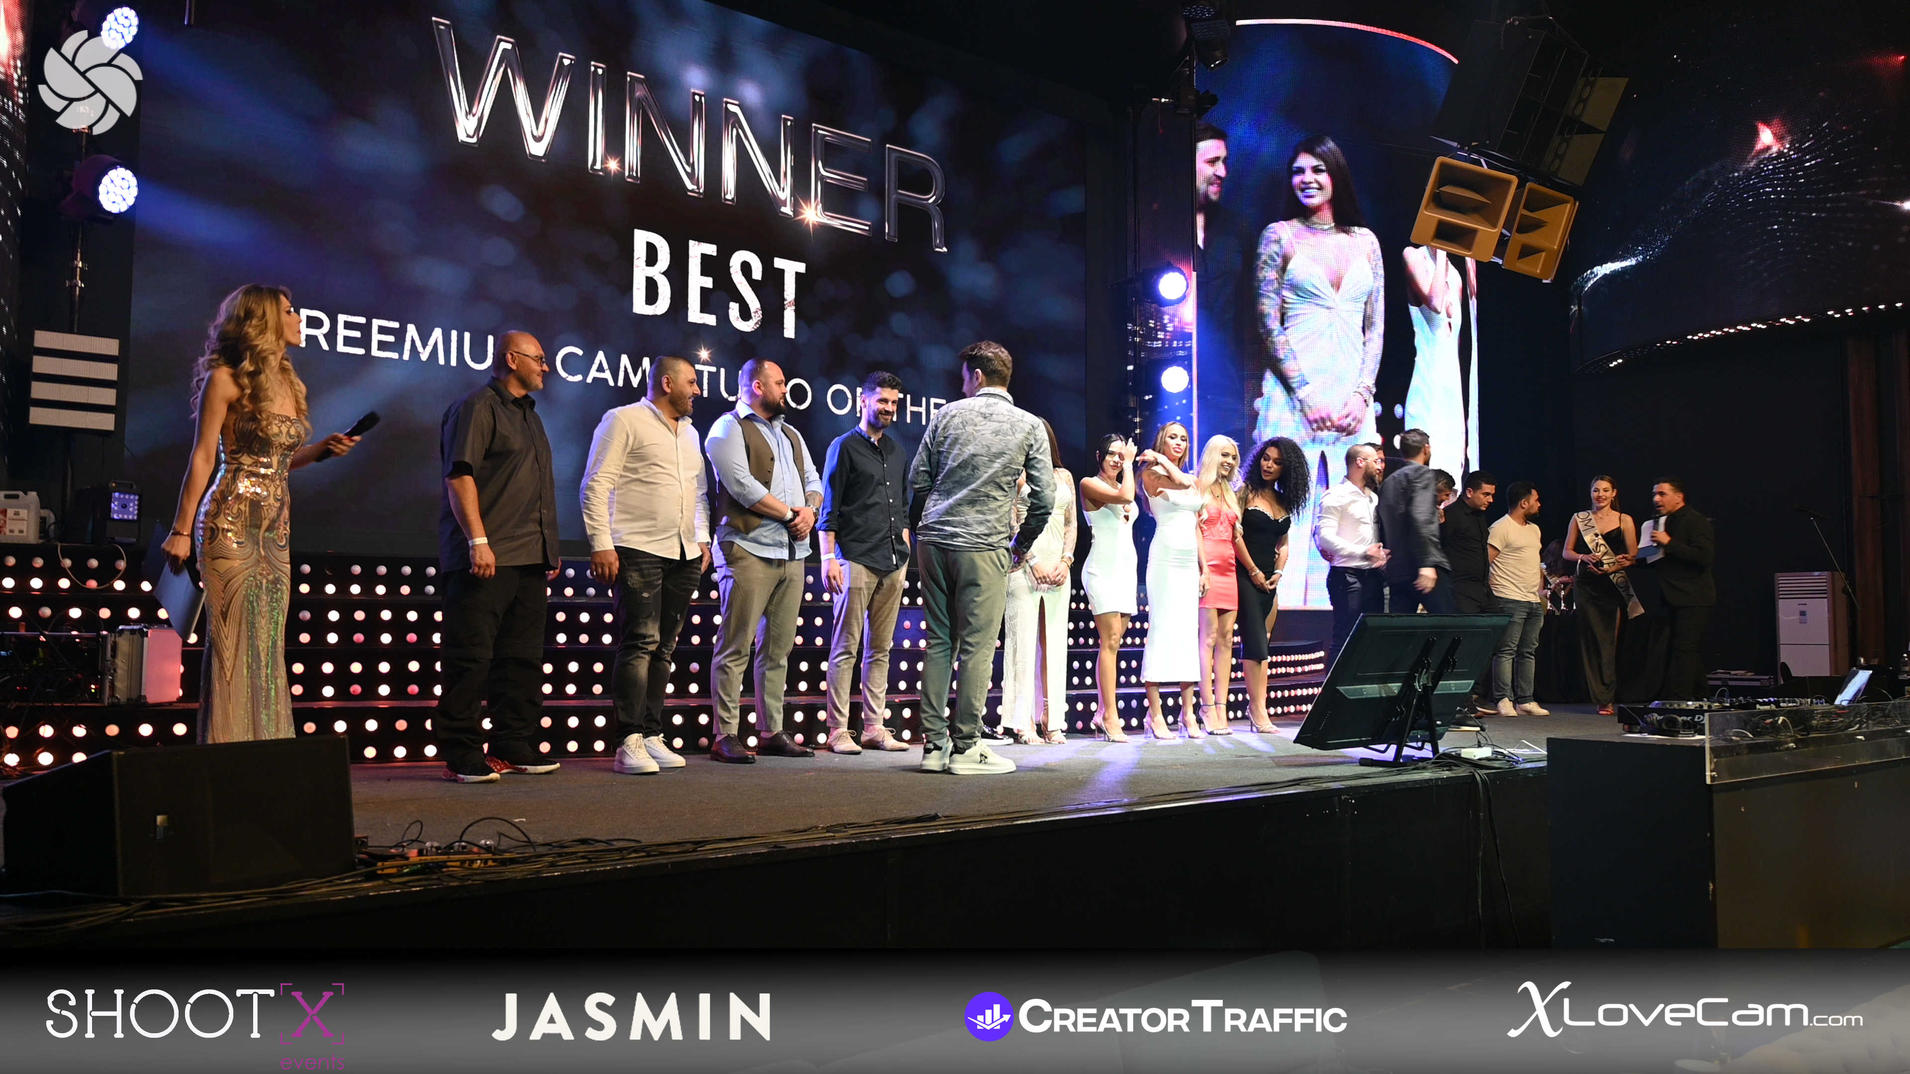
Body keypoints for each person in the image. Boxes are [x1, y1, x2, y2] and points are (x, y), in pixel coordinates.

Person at [161, 284, 358, 745]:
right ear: (264, 320)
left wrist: (321, 451)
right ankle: (227, 754)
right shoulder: (226, 379)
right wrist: (181, 530)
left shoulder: (288, 381)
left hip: (275, 529)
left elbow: (277, 462)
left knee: (268, 645)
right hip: (229, 521)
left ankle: (267, 754)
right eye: (290, 311)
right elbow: (203, 457)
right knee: (231, 642)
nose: (299, 318)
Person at [1251, 134, 1385, 609]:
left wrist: (1363, 394)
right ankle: (1281, 617)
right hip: (1295, 395)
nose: (1306, 179)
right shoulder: (1279, 235)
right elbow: (1267, 321)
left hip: (1352, 400)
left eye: (1317, 169)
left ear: (1335, 174)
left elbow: (1375, 326)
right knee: (1288, 505)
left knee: (1355, 511)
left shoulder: (1366, 241)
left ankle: (1348, 621)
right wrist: (1305, 392)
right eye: (1298, 172)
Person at [909, 340, 1053, 776]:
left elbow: (918, 478)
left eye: (963, 378)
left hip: (934, 540)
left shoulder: (946, 415)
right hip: (984, 545)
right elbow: (1044, 498)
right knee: (976, 646)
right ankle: (966, 747)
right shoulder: (1029, 425)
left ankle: (934, 747)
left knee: (940, 641)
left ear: (976, 375)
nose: (962, 385)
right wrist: (1020, 545)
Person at [434, 331, 562, 782]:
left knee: (522, 658)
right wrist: (477, 540)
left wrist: (548, 547)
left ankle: (513, 743)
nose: (546, 366)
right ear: (511, 359)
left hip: (529, 556)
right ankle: (461, 752)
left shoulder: (530, 415)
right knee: (470, 657)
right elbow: (459, 475)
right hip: (485, 555)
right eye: (539, 358)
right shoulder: (477, 407)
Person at [580, 354, 709, 776]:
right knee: (639, 642)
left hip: (684, 552)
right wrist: (601, 544)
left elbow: (699, 492)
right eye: (692, 382)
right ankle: (628, 739)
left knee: (664, 647)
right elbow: (595, 484)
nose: (698, 390)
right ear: (667, 383)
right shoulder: (623, 419)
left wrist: (702, 538)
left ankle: (652, 734)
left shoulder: (690, 433)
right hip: (636, 547)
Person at [705, 359, 823, 764]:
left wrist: (810, 511)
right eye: (779, 382)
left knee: (777, 650)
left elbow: (813, 481)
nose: (785, 389)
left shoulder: (791, 433)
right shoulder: (728, 427)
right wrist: (791, 515)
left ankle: (771, 730)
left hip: (792, 553)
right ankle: (725, 733)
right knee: (735, 645)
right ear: (757, 386)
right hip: (747, 548)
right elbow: (741, 486)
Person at [817, 372, 913, 755]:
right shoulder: (843, 446)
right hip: (854, 557)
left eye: (894, 403)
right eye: (882, 401)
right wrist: (828, 557)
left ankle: (874, 727)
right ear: (864, 401)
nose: (888, 408)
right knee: (845, 648)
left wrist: (904, 547)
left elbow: (902, 509)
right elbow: (829, 506)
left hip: (893, 561)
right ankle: (838, 730)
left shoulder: (898, 451)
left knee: (881, 649)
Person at [1000, 419, 1076, 745]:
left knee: (1055, 644)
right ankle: (1023, 720)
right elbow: (1010, 523)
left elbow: (1071, 524)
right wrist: (1031, 561)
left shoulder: (1064, 476)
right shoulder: (1015, 475)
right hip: (1023, 566)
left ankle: (1052, 717)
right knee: (1022, 643)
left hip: (1058, 568)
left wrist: (1066, 560)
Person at [1236, 436, 1309, 732]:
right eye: (1266, 458)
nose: (1269, 465)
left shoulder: (1283, 500)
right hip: (1244, 574)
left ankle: (1258, 707)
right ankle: (1257, 710)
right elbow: (1234, 535)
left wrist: (1278, 572)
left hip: (1270, 579)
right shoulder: (1244, 492)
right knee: (1255, 642)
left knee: (1263, 643)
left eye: (1277, 462)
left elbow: (1284, 543)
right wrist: (1253, 570)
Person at [1140, 421, 1203, 740]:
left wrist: (1204, 568)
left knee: (1187, 634)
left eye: (1183, 439)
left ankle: (1188, 714)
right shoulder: (1150, 474)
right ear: (1161, 441)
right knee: (1162, 630)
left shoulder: (1189, 477)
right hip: (1164, 558)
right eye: (1172, 438)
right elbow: (1181, 483)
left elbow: (1196, 520)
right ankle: (1155, 714)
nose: (1179, 442)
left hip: (1188, 561)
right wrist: (1161, 461)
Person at [1563, 475, 1642, 715]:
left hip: (1612, 585)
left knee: (1608, 642)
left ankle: (1607, 696)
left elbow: (1633, 555)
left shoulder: (1624, 519)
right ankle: (1599, 697)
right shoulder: (1580, 518)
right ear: (1590, 493)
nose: (1600, 495)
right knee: (1590, 640)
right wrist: (1583, 556)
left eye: (1605, 490)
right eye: (1596, 490)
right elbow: (1567, 552)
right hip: (1586, 586)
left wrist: (1616, 565)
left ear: (1614, 493)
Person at [1079, 434, 1140, 741]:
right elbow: (1127, 496)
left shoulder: (1122, 484)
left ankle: (1102, 712)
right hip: (1101, 569)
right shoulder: (1089, 484)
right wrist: (1129, 464)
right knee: (1111, 639)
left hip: (1125, 571)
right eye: (1112, 454)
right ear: (1099, 456)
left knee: (1115, 643)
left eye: (1121, 455)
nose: (1117, 459)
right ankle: (1110, 716)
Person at [1401, 246, 1480, 478]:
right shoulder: (1414, 255)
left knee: (1451, 476)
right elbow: (1435, 303)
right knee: (1426, 472)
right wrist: (1443, 254)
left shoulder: (1454, 274)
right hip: (1427, 386)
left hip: (1451, 392)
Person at [1195, 122, 1250, 428]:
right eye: (1212, 162)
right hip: (1170, 380)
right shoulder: (1155, 225)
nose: (1222, 172)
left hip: (1227, 389)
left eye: (1224, 162)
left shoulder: (1237, 228)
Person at [1314, 443, 1388, 661]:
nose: (1380, 466)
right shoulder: (1336, 495)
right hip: (1346, 576)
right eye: (1376, 461)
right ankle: (1334, 684)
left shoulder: (1372, 497)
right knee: (1345, 637)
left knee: (1371, 637)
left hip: (1373, 576)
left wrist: (1380, 553)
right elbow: (1324, 537)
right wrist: (1363, 552)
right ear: (1360, 462)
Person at [1194, 435, 1246, 735]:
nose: (1229, 461)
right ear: (1213, 455)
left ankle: (1222, 706)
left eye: (1233, 457)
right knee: (1209, 637)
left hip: (1229, 569)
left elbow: (1235, 537)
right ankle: (1207, 706)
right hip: (1208, 567)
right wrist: (1203, 568)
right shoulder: (1198, 486)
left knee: (1227, 638)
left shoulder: (1230, 491)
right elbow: (1195, 532)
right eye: (1225, 455)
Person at [1648, 477, 1715, 700]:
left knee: (1684, 650)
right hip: (1671, 596)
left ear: (1679, 497)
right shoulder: (1662, 522)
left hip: (1693, 597)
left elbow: (1703, 556)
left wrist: (1669, 542)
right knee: (1684, 650)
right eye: (1654, 494)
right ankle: (1700, 697)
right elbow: (1662, 559)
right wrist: (1633, 560)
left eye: (1662, 494)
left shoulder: (1696, 521)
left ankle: (1680, 700)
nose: (1656, 499)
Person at [1487, 481, 1550, 717]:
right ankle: (1503, 698)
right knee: (1506, 650)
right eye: (1536, 500)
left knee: (1528, 651)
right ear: (1524, 503)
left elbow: (1535, 562)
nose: (1539, 504)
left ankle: (1525, 700)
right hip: (1508, 597)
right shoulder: (1500, 527)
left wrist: (1540, 593)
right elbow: (1487, 562)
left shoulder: (1534, 529)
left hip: (1532, 599)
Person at [1376, 428, 1453, 614]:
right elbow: (1421, 516)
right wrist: (1426, 564)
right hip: (1422, 566)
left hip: (1397, 569)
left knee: (1402, 627)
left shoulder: (1388, 482)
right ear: (1426, 449)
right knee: (1449, 624)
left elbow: (1383, 523)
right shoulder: (1421, 474)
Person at [1442, 471, 1498, 614]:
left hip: (1483, 588)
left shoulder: (1480, 515)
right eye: (1486, 494)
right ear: (1469, 492)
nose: (1491, 500)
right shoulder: (1450, 515)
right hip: (1460, 590)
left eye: (1492, 495)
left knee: (1498, 623)